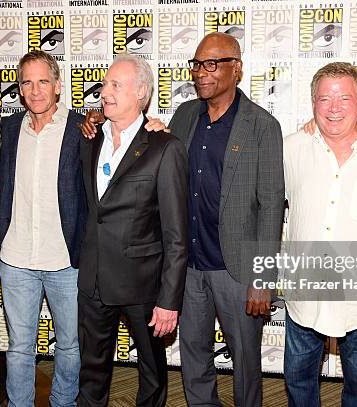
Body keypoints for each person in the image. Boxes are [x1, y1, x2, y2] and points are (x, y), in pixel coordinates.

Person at [80, 32, 284, 407]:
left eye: (212, 64)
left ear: (236, 69)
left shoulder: (261, 125)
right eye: (196, 64)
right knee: (194, 358)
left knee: (245, 363)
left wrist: (262, 279)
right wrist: (109, 120)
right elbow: (154, 157)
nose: (200, 73)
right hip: (188, 267)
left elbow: (272, 207)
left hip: (236, 269)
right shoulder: (186, 114)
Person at [282, 62, 357, 407]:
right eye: (324, 99)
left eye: (344, 98)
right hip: (304, 298)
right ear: (312, 103)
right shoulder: (291, 148)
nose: (334, 108)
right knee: (298, 383)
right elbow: (265, 207)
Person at [77, 53, 188, 407]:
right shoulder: (90, 137)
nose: (104, 92)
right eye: (105, 84)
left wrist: (169, 301)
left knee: (152, 375)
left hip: (144, 283)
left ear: (141, 92)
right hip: (94, 279)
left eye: (115, 85)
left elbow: (175, 234)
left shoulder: (164, 146)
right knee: (91, 373)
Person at [0, 50, 87, 407]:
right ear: (19, 89)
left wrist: (153, 124)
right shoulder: (5, 130)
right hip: (16, 259)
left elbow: (127, 142)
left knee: (69, 344)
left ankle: (63, 403)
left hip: (66, 261)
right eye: (27, 83)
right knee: (19, 348)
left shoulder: (83, 130)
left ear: (58, 85)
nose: (35, 91)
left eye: (43, 81)